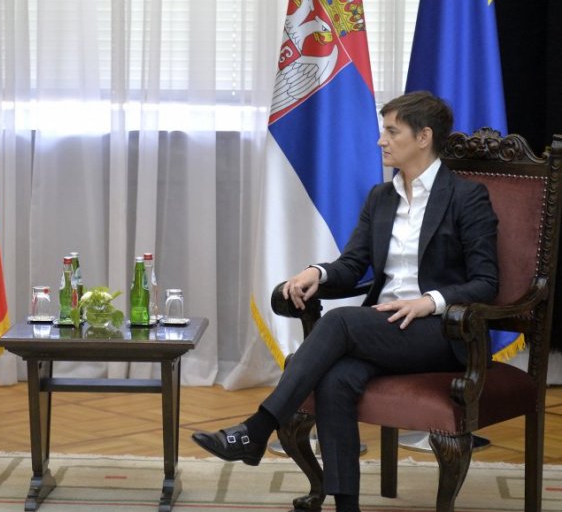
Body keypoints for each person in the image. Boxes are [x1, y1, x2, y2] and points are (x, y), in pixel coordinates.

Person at [191, 91, 499, 512]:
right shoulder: (381, 198)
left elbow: (486, 283)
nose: (381, 141)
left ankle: (257, 429)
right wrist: (316, 274)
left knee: (338, 322)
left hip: (441, 332)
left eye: (392, 131)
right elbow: (353, 265)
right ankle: (346, 505)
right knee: (336, 380)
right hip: (383, 328)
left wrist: (430, 301)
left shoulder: (466, 197)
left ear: (424, 137)